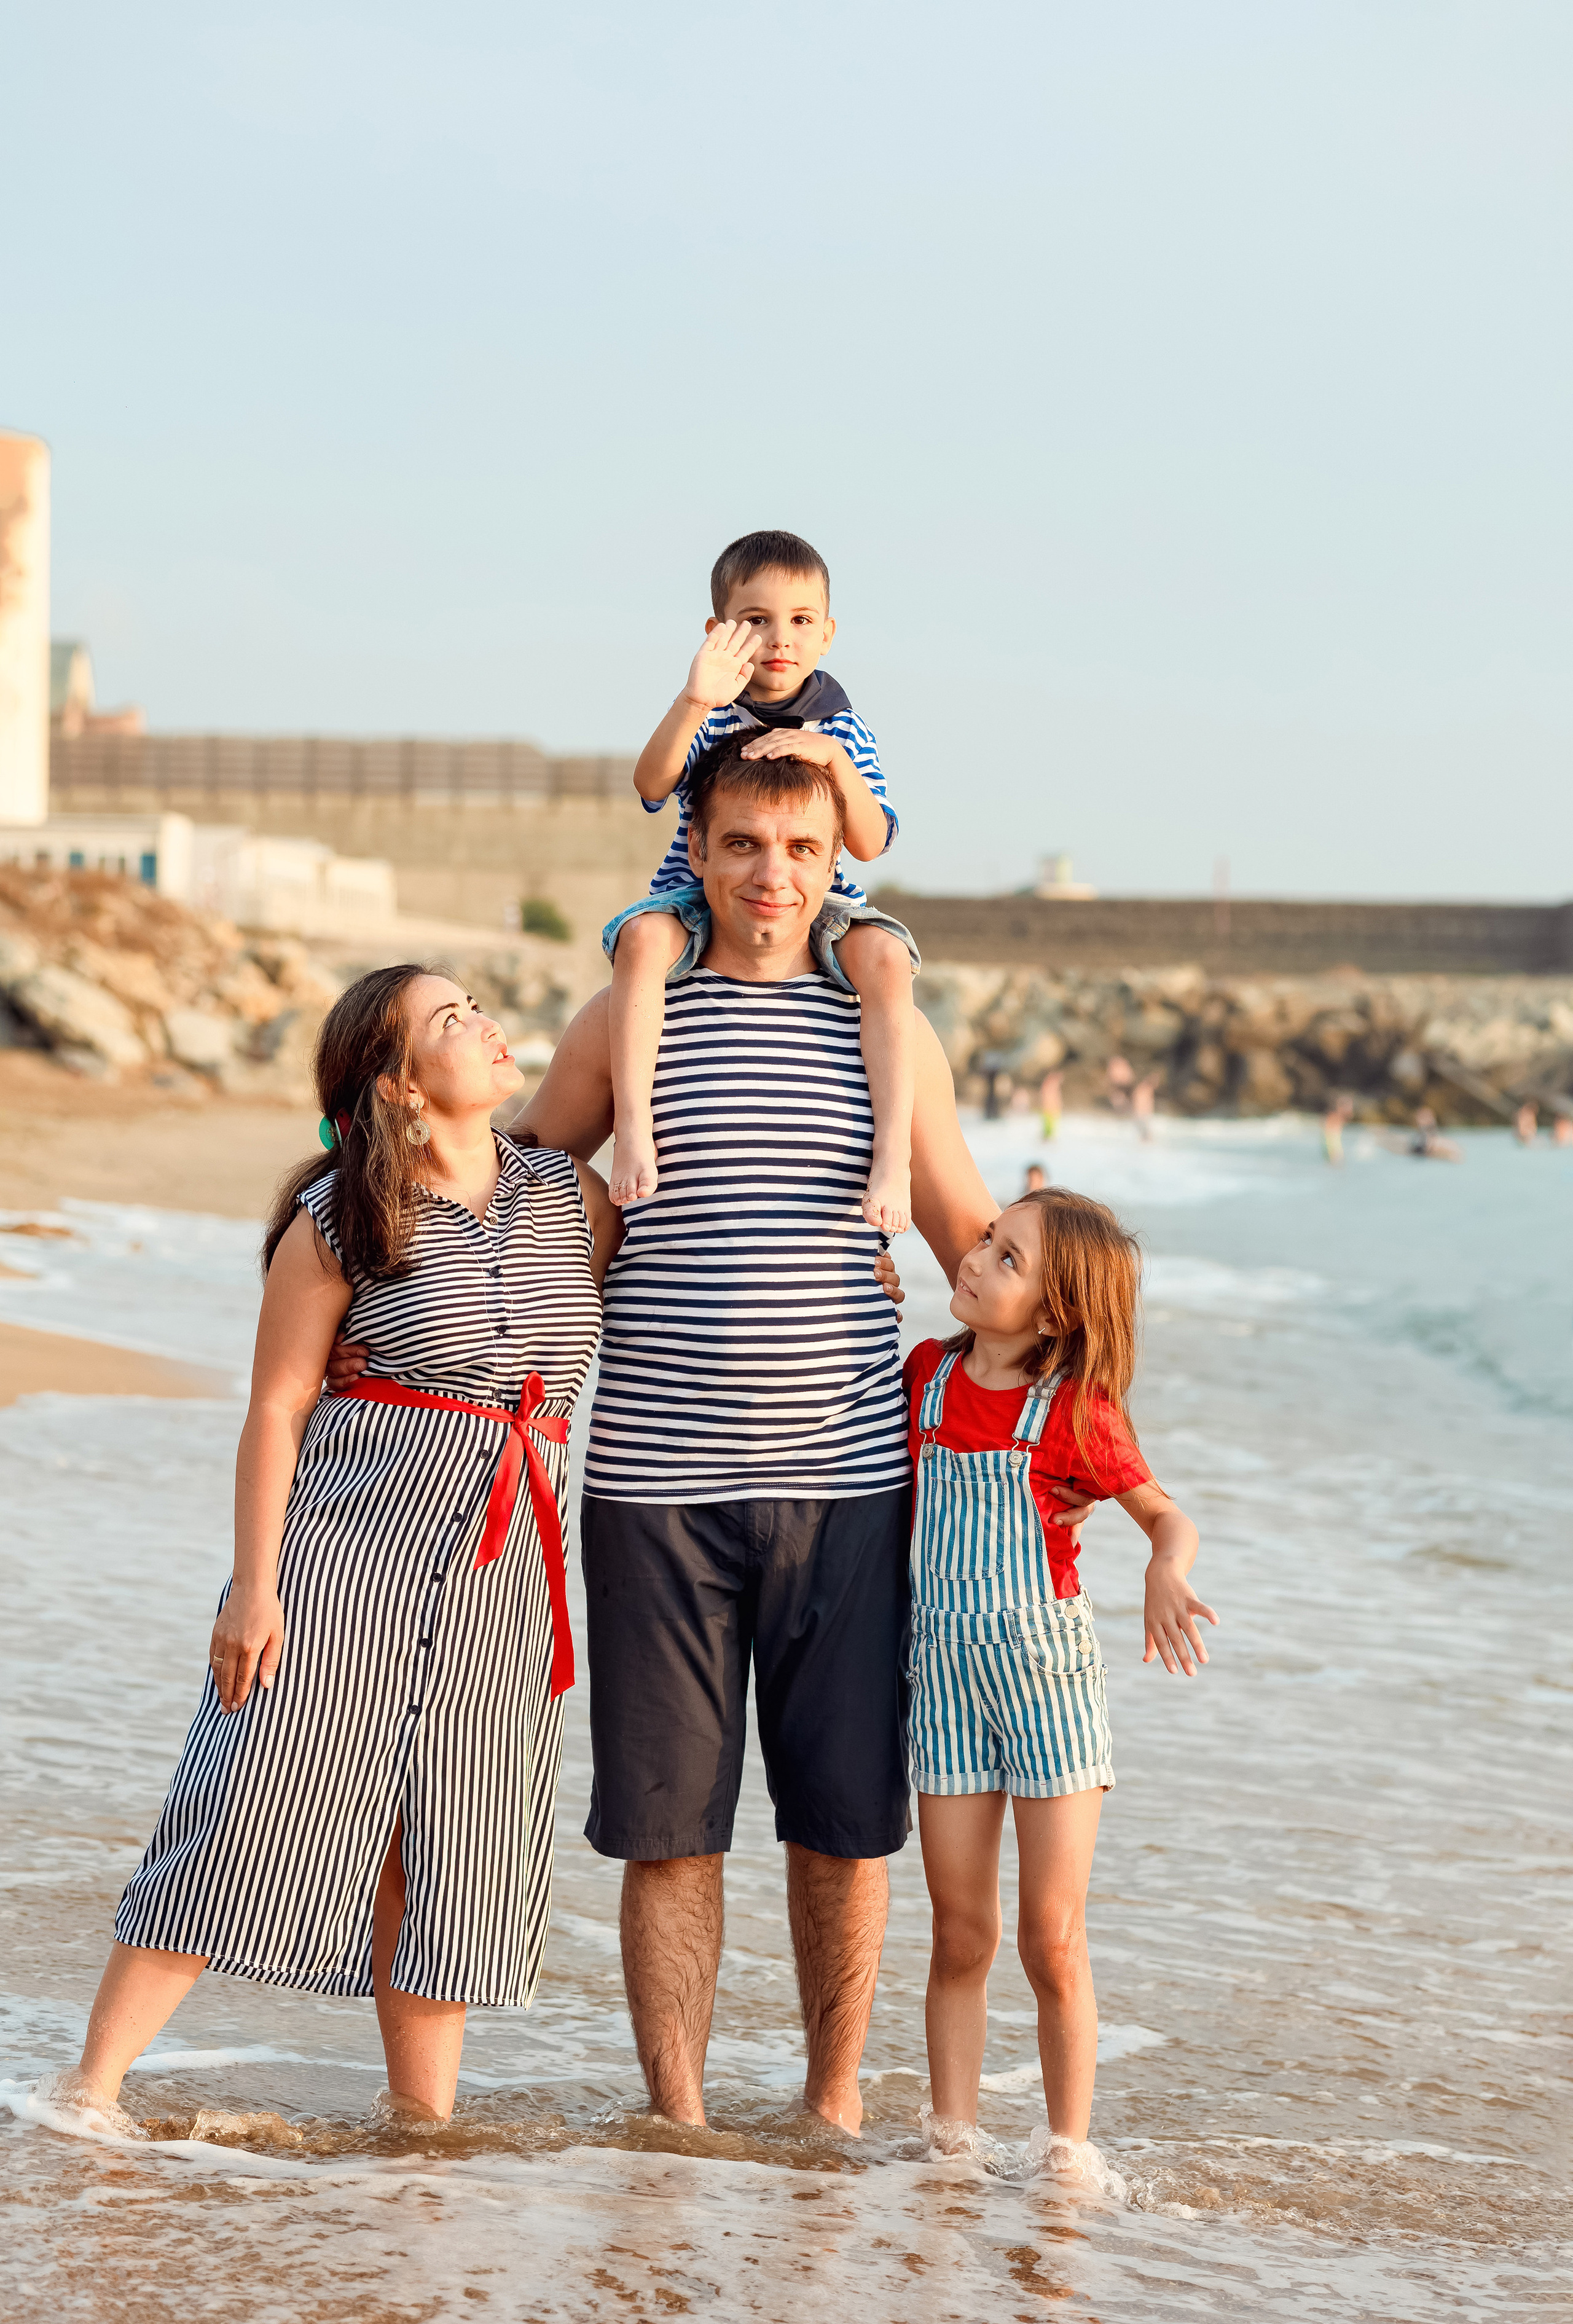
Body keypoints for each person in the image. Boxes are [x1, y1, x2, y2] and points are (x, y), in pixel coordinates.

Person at [498, 736, 1101, 2137]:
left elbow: (974, 1245)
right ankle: (679, 2122)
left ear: (837, 865)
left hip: (847, 1486)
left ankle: (829, 2110)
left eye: (800, 852)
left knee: (840, 1821)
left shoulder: (886, 1030)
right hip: (651, 1484)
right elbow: (525, 1187)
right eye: (741, 848)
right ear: (693, 854)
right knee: (667, 1828)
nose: (771, 878)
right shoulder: (625, 1019)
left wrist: (1081, 1436)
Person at [55, 967, 617, 2129]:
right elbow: (276, 1409)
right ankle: (89, 2092)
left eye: (476, 1004)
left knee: (452, 1845)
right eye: (449, 1019)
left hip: (506, 1577)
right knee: (246, 1806)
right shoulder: (336, 1222)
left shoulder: (576, 1197)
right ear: (398, 1081)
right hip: (347, 1558)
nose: (486, 1022)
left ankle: (423, 2128)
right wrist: (252, 1591)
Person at [904, 1187, 1214, 2174]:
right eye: (988, 1240)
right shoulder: (926, 1378)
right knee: (961, 1933)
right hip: (943, 1683)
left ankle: (1068, 2156)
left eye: (1006, 1259)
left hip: (1048, 1688)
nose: (974, 1258)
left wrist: (1167, 1568)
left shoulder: (1079, 1413)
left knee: (1051, 1937)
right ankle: (953, 2144)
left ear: (1055, 1314)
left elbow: (1167, 1518)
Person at [605, 528, 919, 1235]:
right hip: (699, 891)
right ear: (718, 631)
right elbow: (650, 784)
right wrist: (692, 700)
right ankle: (632, 1123)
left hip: (818, 902)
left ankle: (893, 1152)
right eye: (755, 620)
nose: (781, 638)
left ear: (828, 633)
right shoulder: (709, 708)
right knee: (640, 942)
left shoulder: (843, 725)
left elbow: (869, 842)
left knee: (889, 960)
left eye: (802, 621)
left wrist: (833, 760)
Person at [1323, 1094, 1354, 1164]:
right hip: (1332, 1138)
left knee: (1337, 1159)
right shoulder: (1334, 1116)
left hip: (1333, 1137)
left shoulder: (1335, 1116)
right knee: (1336, 1159)